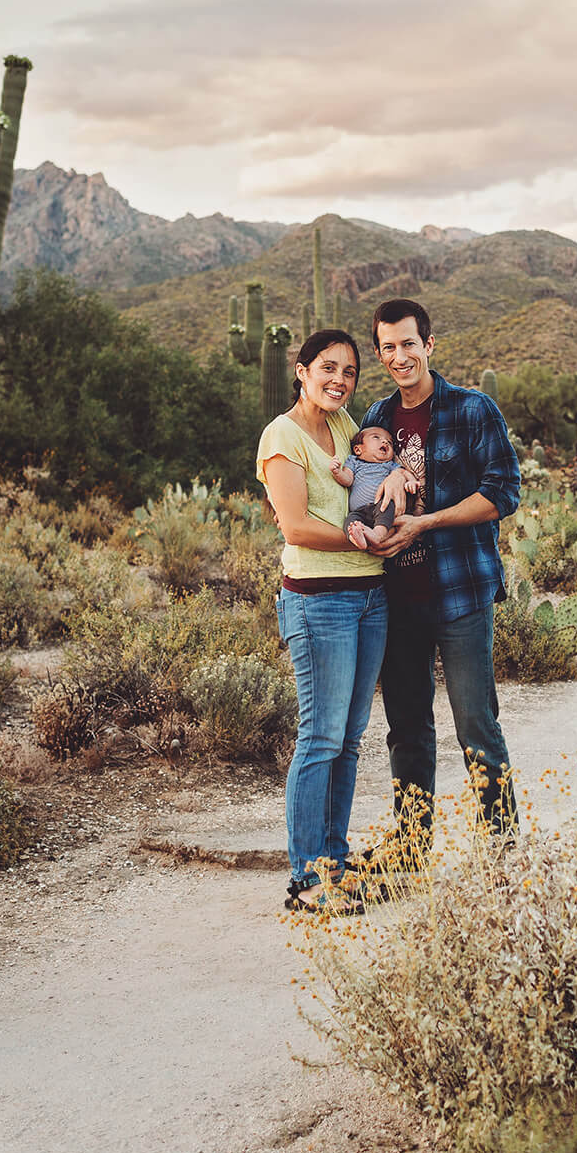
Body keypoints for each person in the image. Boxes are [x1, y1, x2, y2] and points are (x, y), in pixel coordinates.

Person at [355, 297, 523, 863]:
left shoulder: (474, 411)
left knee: (476, 724)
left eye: (408, 343)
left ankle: (501, 852)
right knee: (406, 729)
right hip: (395, 600)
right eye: (388, 347)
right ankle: (411, 851)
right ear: (379, 354)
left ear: (429, 344)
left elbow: (504, 493)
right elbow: (351, 490)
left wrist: (426, 521)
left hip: (461, 593)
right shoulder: (376, 421)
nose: (399, 356)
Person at [255, 329, 389, 915]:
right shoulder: (281, 436)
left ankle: (335, 860)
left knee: (350, 739)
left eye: (350, 371)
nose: (339, 379)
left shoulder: (342, 426)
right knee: (321, 736)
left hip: (369, 597)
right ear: (301, 370)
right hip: (319, 600)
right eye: (327, 368)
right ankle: (306, 878)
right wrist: (365, 543)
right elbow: (296, 527)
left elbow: (360, 483)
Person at [330, 426, 418, 533]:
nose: (385, 441)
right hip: (358, 511)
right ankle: (357, 536)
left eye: (390, 442)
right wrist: (337, 472)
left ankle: (378, 535)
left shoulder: (389, 465)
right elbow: (348, 480)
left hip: (381, 506)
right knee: (350, 521)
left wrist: (411, 481)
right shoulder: (354, 461)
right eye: (376, 437)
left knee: (387, 508)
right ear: (358, 449)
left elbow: (404, 472)